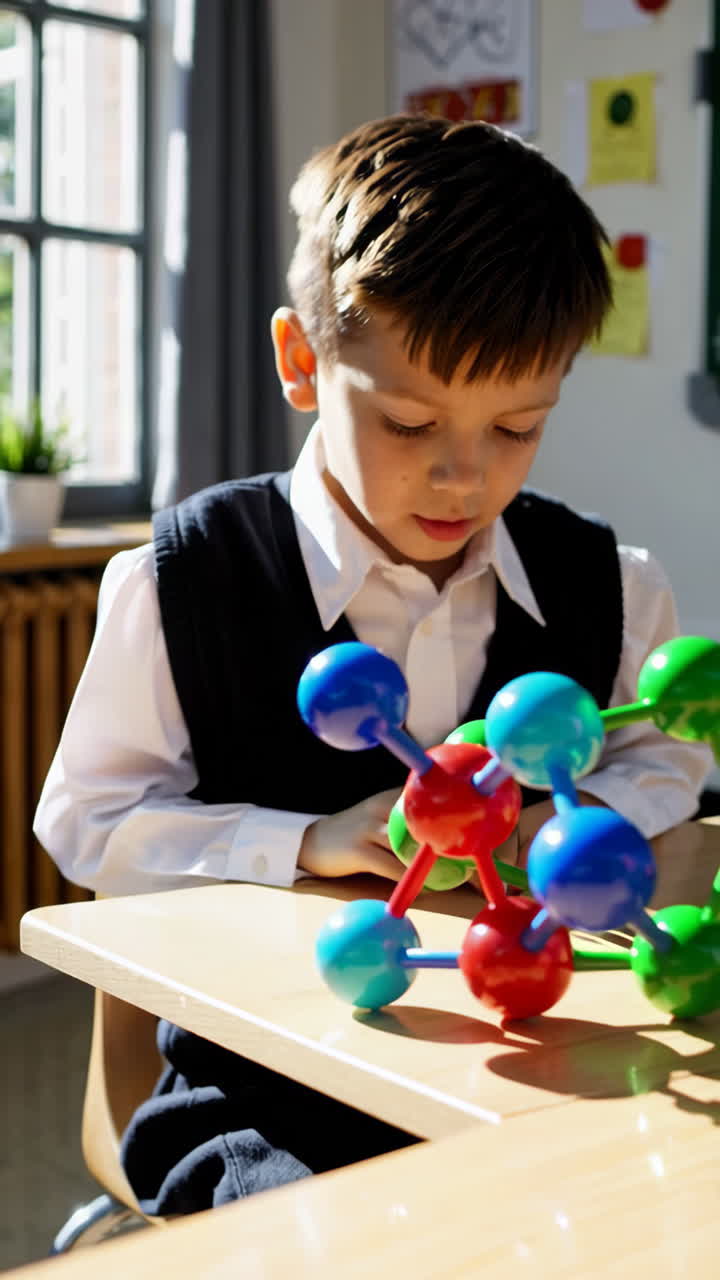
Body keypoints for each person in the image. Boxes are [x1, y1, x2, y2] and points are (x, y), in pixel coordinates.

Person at [34, 115, 711, 1215]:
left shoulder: (610, 585)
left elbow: (666, 764)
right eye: (409, 420)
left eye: (518, 426)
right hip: (264, 1084)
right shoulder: (183, 582)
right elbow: (90, 821)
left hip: (554, 1061)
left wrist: (579, 819)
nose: (462, 474)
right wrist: (305, 841)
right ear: (303, 363)